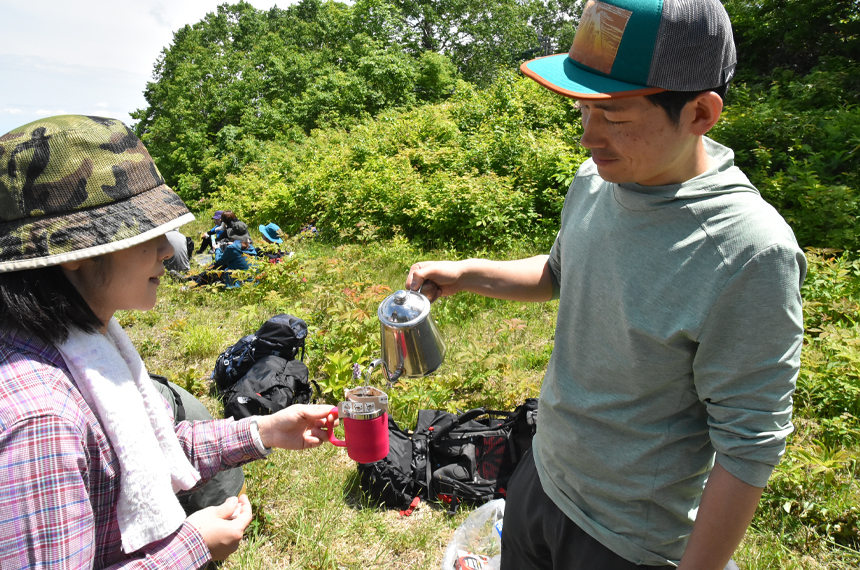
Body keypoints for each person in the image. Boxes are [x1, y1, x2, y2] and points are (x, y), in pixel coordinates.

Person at [406, 2, 805, 569]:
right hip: (542, 477)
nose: (590, 136)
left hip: (625, 539)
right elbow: (560, 273)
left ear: (700, 113)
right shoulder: (599, 179)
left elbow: (750, 444)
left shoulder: (748, 251)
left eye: (614, 114)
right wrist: (468, 272)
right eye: (584, 109)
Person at [0, 115, 335, 569]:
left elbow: (145, 446)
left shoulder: (79, 341)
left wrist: (265, 430)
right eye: (143, 232)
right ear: (74, 252)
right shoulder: (40, 418)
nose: (166, 250)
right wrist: (193, 545)